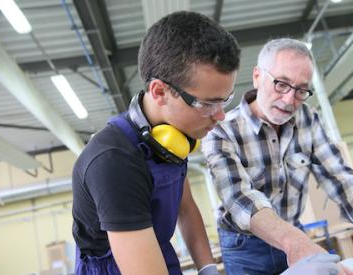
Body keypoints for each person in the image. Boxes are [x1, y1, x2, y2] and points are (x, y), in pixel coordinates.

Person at [202, 38, 353, 275]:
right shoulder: (221, 130)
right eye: (281, 84)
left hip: (295, 232)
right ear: (257, 76)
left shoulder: (308, 119)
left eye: (300, 90)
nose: (289, 100)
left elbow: (340, 177)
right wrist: (295, 242)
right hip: (245, 246)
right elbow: (240, 196)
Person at [71, 11, 240, 275]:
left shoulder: (171, 139)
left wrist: (207, 268)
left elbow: (186, 208)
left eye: (225, 100)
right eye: (207, 103)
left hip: (158, 254)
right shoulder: (113, 161)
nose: (220, 116)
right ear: (160, 92)